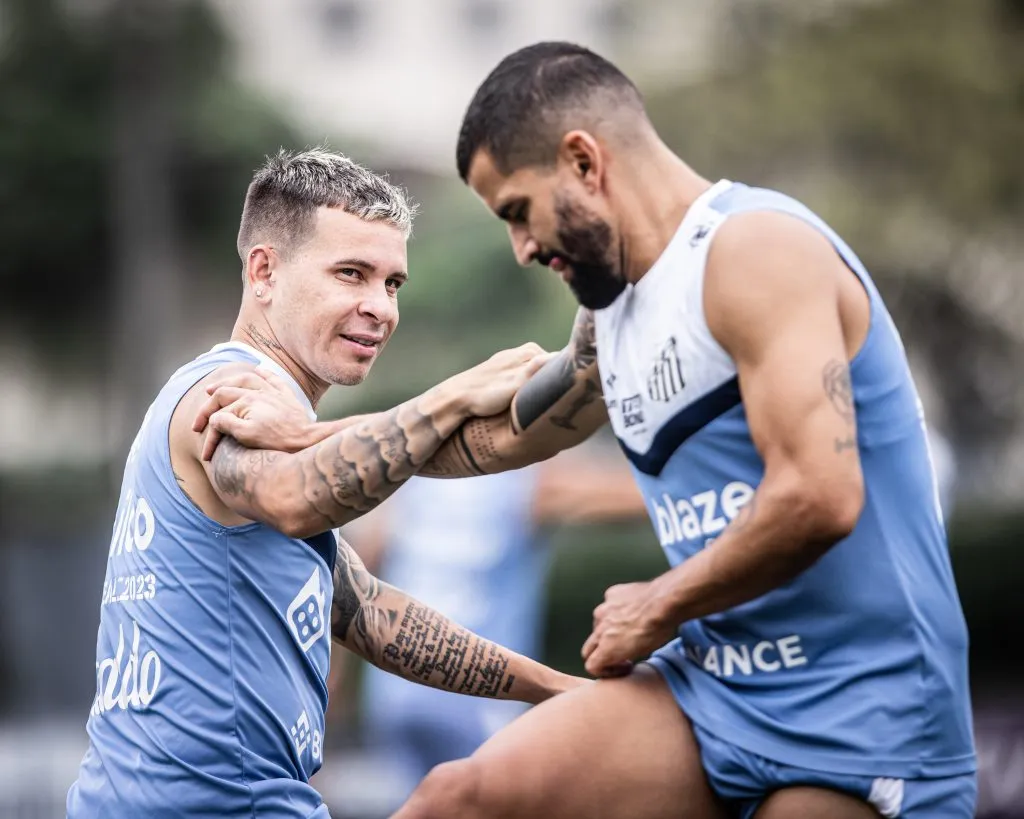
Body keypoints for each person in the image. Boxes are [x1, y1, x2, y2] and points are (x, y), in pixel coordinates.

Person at [201, 44, 977, 819]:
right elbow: (494, 439)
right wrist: (307, 435)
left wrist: (659, 603)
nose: (523, 248)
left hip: (861, 703)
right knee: (455, 798)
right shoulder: (610, 319)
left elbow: (820, 495)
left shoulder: (756, 250)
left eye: (518, 211)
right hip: (717, 686)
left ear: (583, 162)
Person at [65, 148, 584, 819]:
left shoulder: (277, 414)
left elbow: (370, 615)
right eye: (351, 274)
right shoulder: (230, 393)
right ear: (264, 272)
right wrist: (455, 394)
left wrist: (561, 690)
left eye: (392, 284)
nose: (380, 307)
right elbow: (293, 496)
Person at [346, 452, 647, 806]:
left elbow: (360, 568)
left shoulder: (412, 478)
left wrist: (330, 674)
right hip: (481, 689)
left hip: (395, 690)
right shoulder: (522, 479)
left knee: (419, 802)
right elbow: (610, 496)